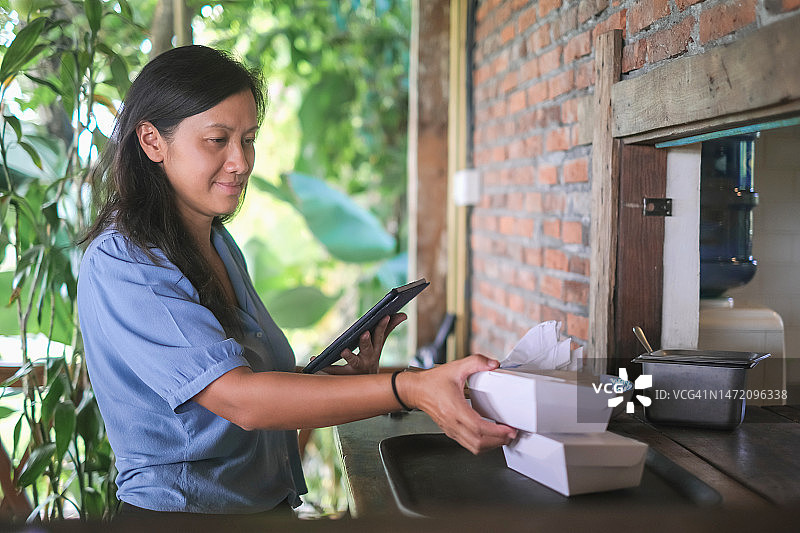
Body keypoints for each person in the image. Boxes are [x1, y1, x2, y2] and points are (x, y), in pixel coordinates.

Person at [77, 44, 516, 517]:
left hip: (261, 510)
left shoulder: (217, 244)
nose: (241, 162)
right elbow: (240, 400)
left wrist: (349, 380)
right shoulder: (125, 259)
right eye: (217, 140)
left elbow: (261, 385)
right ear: (152, 141)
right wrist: (407, 388)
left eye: (247, 139)